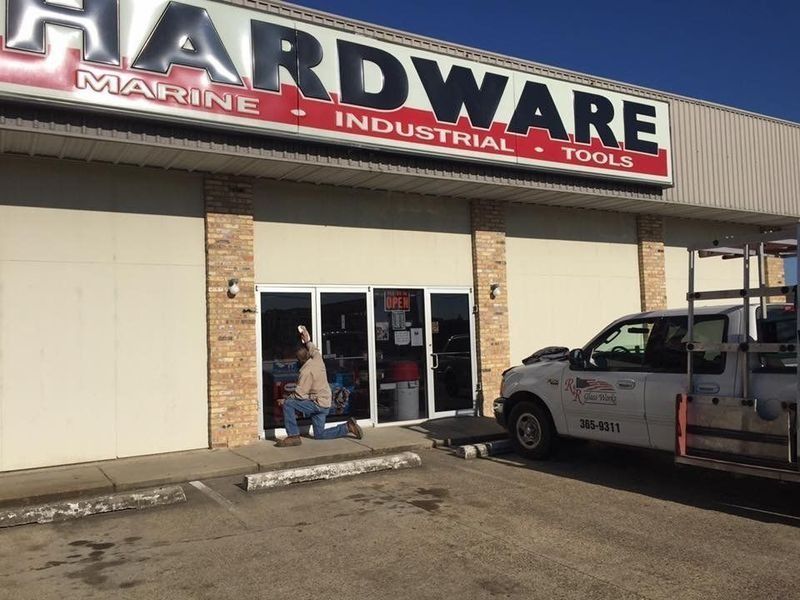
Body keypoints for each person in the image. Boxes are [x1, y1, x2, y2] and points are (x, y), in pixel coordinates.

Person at [276, 325, 364, 447]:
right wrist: (307, 340)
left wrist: (285, 400)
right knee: (320, 434)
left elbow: (299, 395)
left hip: (317, 405)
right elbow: (314, 349)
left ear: (299, 361)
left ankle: (293, 436)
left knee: (288, 404)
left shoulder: (305, 372)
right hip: (325, 402)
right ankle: (347, 427)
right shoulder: (317, 359)